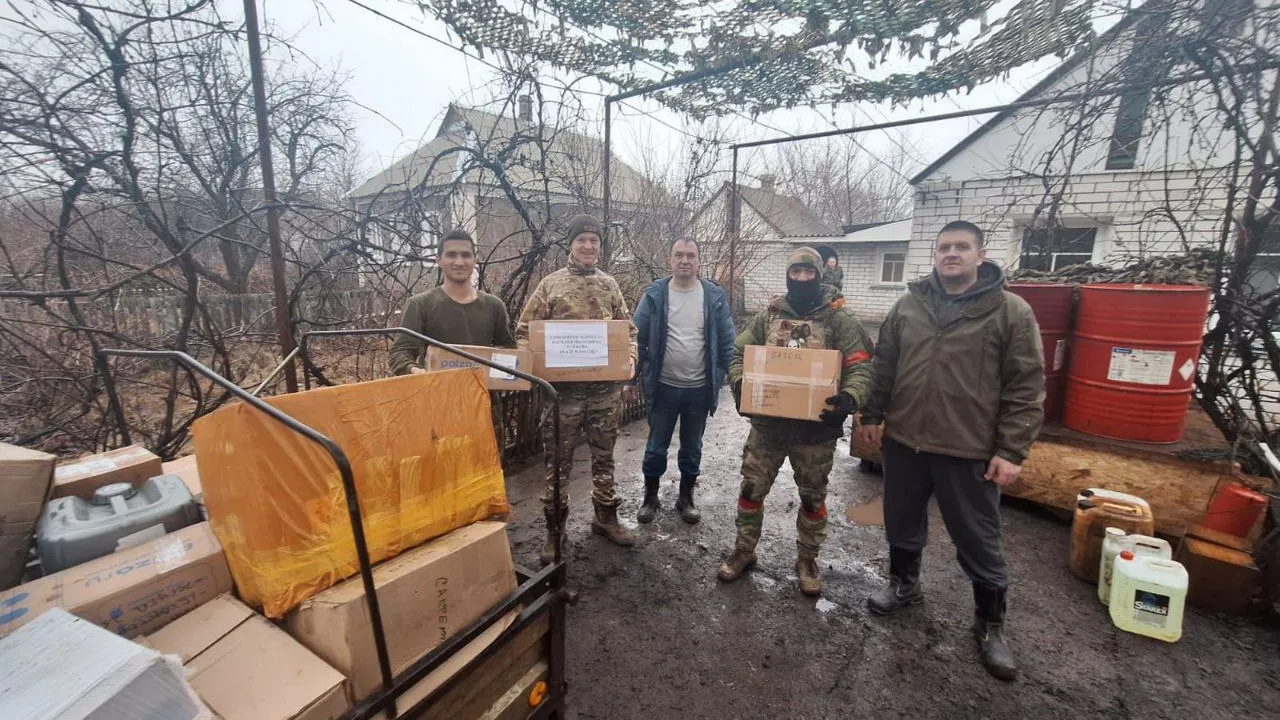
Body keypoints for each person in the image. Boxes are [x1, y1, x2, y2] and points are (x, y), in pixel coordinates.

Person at [857, 220, 1044, 682]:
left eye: (962, 247)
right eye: (945, 248)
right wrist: (873, 417)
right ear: (935, 255)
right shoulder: (909, 306)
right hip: (905, 442)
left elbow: (1026, 385)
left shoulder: (1010, 312)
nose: (952, 254)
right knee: (900, 519)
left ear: (981, 255)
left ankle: (990, 625)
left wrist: (1012, 450)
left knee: (978, 536)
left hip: (967, 448)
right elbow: (885, 366)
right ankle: (904, 584)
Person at [717, 247, 875, 596]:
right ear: (788, 275)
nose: (801, 278)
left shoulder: (840, 319)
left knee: (813, 498)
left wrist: (850, 398)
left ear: (819, 274)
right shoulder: (770, 315)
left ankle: (807, 559)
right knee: (751, 490)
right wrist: (743, 385)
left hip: (815, 431)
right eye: (795, 272)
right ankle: (744, 550)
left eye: (808, 272)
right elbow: (739, 353)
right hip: (768, 427)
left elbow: (862, 365)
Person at [516, 214, 639, 565]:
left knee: (604, 458)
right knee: (558, 463)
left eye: (594, 240)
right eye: (582, 239)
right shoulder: (550, 285)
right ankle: (555, 533)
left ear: (600, 246)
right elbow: (525, 331)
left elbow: (628, 331)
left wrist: (630, 358)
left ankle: (605, 518)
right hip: (562, 396)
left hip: (604, 393)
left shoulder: (609, 285)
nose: (588, 246)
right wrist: (534, 365)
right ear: (571, 244)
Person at [631, 237, 735, 525]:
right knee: (655, 447)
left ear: (699, 261)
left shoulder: (713, 297)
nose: (685, 261)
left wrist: (727, 374)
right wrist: (631, 375)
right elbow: (636, 338)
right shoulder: (655, 294)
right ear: (670, 260)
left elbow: (727, 341)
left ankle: (686, 498)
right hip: (663, 387)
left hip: (699, 390)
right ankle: (650, 498)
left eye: (691, 256)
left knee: (692, 447)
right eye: (679, 255)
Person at [388, 229, 514, 375]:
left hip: (483, 393)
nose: (459, 262)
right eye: (451, 255)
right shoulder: (420, 305)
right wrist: (414, 370)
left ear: (475, 259)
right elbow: (401, 352)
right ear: (439, 260)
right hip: (436, 392)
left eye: (466, 255)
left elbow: (509, 351)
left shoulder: (494, 306)